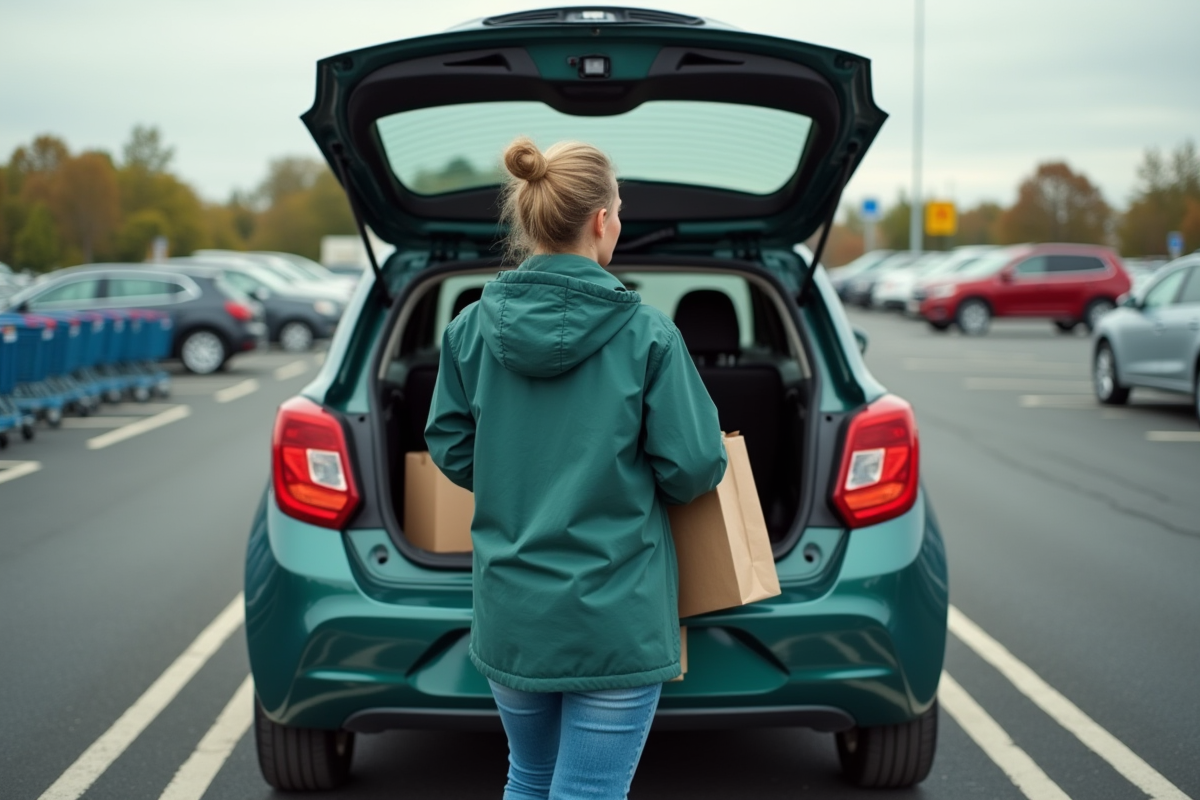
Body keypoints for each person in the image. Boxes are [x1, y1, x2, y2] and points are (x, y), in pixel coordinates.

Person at [425, 136, 727, 800]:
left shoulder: (469, 331)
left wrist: (513, 472)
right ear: (600, 221)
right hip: (615, 619)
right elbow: (695, 465)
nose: (619, 219)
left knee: (529, 777)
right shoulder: (649, 335)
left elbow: (447, 442)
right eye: (618, 208)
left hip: (512, 615)